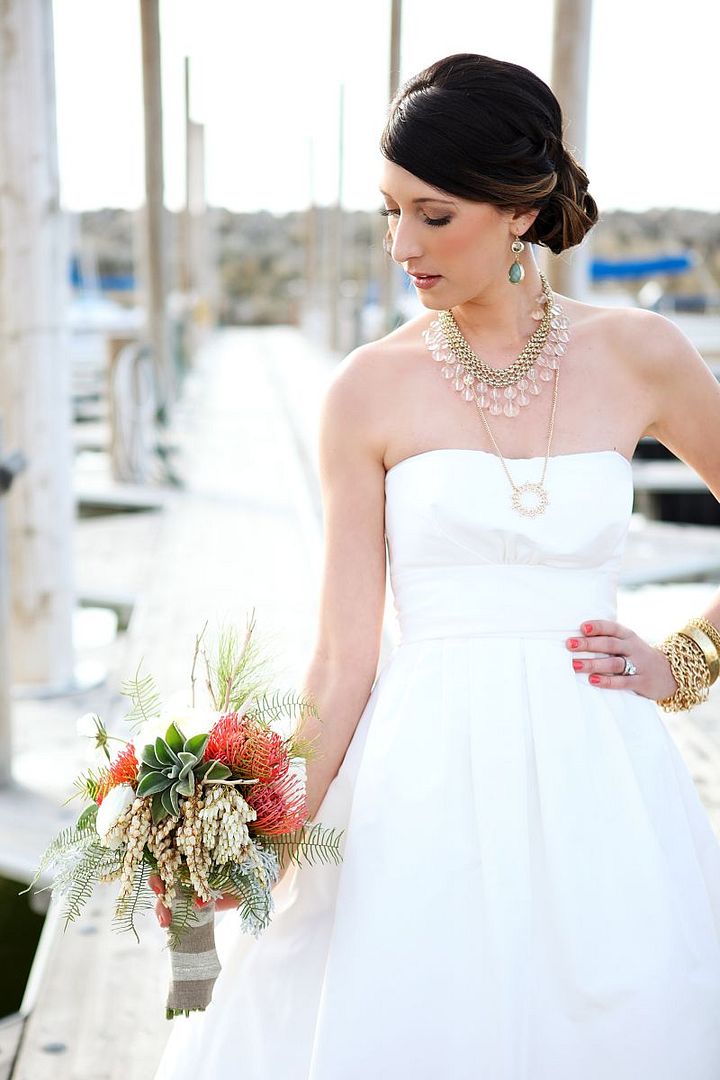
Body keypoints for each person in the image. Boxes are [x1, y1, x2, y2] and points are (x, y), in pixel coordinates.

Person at [153, 53, 720, 1079]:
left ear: (516, 209)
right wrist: (251, 833)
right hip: (421, 782)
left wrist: (686, 660)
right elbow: (341, 661)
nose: (401, 246)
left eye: (433, 214)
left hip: (603, 774)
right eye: (388, 213)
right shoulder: (366, 391)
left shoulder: (643, 354)